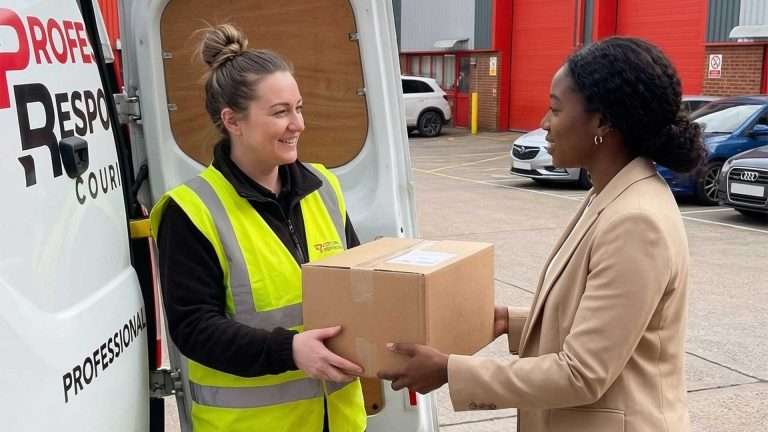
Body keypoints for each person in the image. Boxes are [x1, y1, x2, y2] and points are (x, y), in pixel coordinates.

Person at [378, 36, 704, 432]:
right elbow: (596, 318)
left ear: (602, 122)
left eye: (555, 110)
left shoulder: (636, 221)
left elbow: (583, 373)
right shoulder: (611, 194)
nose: (544, 125)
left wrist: (450, 371)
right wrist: (507, 321)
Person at [150, 24, 367, 432]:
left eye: (298, 107)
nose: (298, 124)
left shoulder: (323, 188)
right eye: (280, 112)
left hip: (337, 421)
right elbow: (194, 327)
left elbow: (359, 284)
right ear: (233, 121)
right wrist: (290, 350)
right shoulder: (191, 210)